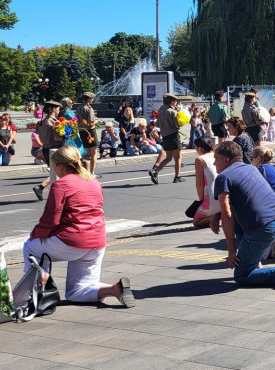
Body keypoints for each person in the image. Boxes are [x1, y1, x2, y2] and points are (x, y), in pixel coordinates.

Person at [23, 146, 134, 308]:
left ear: (60, 166)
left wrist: (36, 234)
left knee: (30, 247)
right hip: (97, 242)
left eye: (53, 166)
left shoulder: (60, 185)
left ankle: (34, 295)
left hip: (72, 241)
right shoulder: (93, 181)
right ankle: (114, 290)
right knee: (77, 291)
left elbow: (50, 220)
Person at [209, 140, 275, 287]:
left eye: (215, 159)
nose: (214, 164)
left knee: (242, 276)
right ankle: (255, 262)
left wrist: (231, 251)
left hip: (264, 227)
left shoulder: (223, 177)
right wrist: (216, 216)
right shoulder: (252, 168)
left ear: (226, 160)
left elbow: (227, 214)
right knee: (240, 228)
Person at [149, 94, 183, 184]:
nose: (176, 103)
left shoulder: (161, 110)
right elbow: (177, 125)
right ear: (172, 101)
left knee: (168, 157)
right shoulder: (172, 112)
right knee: (178, 158)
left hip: (165, 136)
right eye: (175, 101)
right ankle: (177, 177)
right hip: (174, 136)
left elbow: (158, 124)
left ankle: (155, 171)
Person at [32, 100, 62, 202]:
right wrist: (67, 136)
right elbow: (57, 138)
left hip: (45, 148)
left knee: (56, 171)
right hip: (55, 148)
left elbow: (40, 136)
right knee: (60, 171)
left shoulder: (41, 122)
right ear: (53, 109)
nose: (59, 110)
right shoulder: (53, 122)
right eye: (58, 108)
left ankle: (43, 188)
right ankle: (41, 187)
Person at [191, 136, 219, 228]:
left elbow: (199, 183)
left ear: (200, 148)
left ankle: (220, 216)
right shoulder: (218, 155)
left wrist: (201, 200)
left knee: (196, 222)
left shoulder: (200, 159)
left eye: (196, 148)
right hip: (223, 196)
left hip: (211, 198)